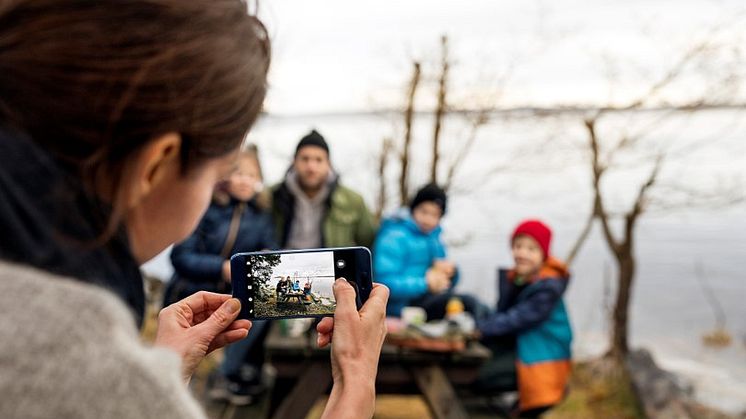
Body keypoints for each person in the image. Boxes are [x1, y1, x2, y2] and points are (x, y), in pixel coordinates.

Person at [0, 1, 389, 418]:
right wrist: (355, 378)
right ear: (156, 165)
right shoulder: (77, 376)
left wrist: (159, 369)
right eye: (216, 175)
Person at [166, 145, 276, 405]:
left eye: (252, 175)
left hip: (231, 294)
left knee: (263, 308)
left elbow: (271, 247)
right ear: (224, 175)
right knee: (183, 370)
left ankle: (232, 375)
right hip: (190, 292)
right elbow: (181, 257)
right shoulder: (205, 208)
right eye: (238, 173)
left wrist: (267, 257)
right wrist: (221, 267)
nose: (245, 181)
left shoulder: (260, 216)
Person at [474, 220, 572, 418]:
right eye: (518, 246)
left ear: (543, 254)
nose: (522, 253)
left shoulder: (547, 287)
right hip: (524, 350)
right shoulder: (519, 279)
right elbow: (502, 315)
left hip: (544, 361)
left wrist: (479, 328)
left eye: (531, 249)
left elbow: (516, 319)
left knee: (476, 377)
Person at [374, 183, 484, 318]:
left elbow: (445, 282)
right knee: (469, 304)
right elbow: (383, 283)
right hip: (400, 308)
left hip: (427, 301)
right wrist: (425, 284)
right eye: (424, 212)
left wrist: (452, 273)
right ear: (413, 209)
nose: (428, 219)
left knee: (479, 307)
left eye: (435, 215)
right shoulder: (393, 237)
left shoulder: (435, 240)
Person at [270, 130, 377, 249]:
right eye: (305, 159)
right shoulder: (272, 195)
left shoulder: (353, 201)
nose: (311, 167)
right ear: (294, 161)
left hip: (331, 266)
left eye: (318, 160)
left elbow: (370, 245)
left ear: (328, 164)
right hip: (284, 266)